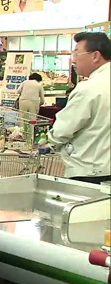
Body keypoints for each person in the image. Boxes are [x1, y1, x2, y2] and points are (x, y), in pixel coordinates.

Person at [47, 32, 110, 184]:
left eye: (76, 52)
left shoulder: (88, 89)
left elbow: (63, 130)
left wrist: (50, 141)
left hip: (89, 170)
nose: (73, 59)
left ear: (95, 56)